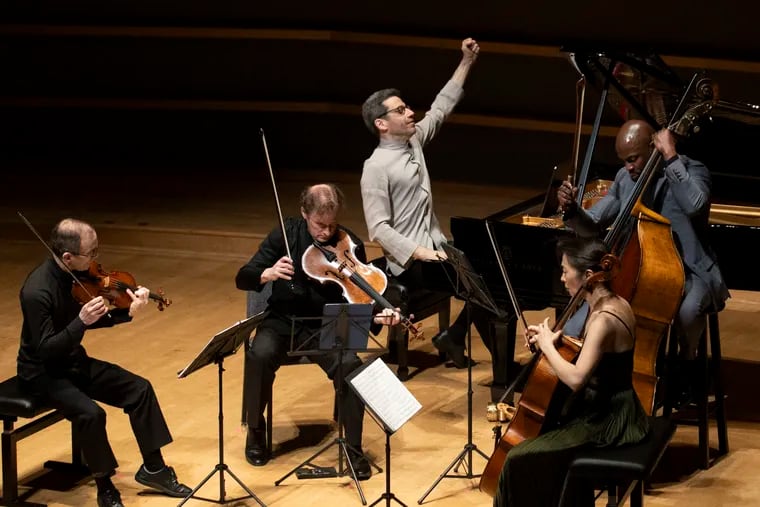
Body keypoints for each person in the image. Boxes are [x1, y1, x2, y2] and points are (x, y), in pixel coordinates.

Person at [17, 218, 191, 507]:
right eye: (92, 253)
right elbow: (46, 349)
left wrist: (127, 313)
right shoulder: (37, 291)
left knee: (140, 389)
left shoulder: (78, 279)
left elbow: (88, 322)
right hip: (42, 373)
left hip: (72, 361)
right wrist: (80, 321)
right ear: (68, 257)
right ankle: (104, 486)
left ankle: (155, 470)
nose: (97, 260)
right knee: (92, 414)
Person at [235, 183, 400, 480]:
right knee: (258, 355)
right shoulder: (285, 235)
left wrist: (380, 317)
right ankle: (256, 430)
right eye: (318, 225)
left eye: (331, 225)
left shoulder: (350, 244)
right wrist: (268, 273)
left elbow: (359, 299)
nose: (326, 233)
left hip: (328, 324)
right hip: (282, 321)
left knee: (352, 368)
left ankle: (353, 448)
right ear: (304, 213)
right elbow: (243, 277)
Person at [557, 119, 729, 401]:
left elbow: (695, 204)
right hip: (643, 271)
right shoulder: (625, 180)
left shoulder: (692, 169)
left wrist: (671, 158)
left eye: (633, 159)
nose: (628, 167)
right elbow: (595, 222)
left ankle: (687, 366)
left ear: (653, 147)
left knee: (687, 311)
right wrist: (572, 211)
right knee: (587, 313)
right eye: (623, 161)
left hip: (690, 270)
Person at [360, 37, 494, 369]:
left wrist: (466, 62)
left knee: (491, 279)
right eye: (401, 110)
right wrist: (420, 252)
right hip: (411, 263)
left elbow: (442, 106)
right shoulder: (375, 167)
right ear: (381, 123)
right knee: (484, 285)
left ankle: (457, 337)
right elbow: (378, 228)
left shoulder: (414, 139)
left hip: (436, 249)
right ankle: (469, 348)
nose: (411, 113)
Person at [494, 237, 650, 507]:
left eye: (566, 271)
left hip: (609, 419)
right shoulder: (610, 303)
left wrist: (546, 346)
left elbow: (577, 379)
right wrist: (557, 341)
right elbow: (598, 355)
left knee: (517, 457)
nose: (563, 278)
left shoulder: (604, 319)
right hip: (605, 407)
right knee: (543, 436)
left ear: (588, 275)